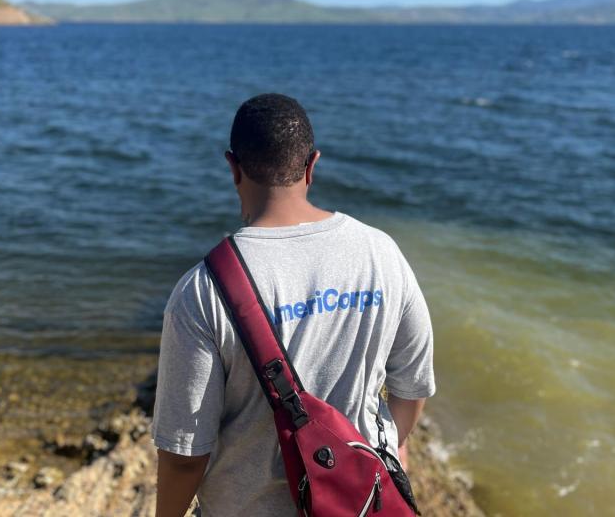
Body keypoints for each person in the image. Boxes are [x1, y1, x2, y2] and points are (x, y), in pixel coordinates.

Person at [151, 93, 435, 517]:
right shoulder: (382, 253)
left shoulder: (203, 291)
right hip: (359, 507)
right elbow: (411, 392)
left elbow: (184, 454)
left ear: (233, 167)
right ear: (312, 166)